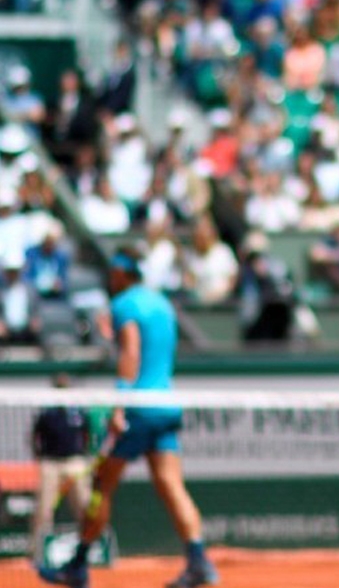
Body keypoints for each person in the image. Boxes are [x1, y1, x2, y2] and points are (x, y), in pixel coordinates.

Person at [38, 247, 218, 588]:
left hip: (137, 407)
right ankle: (199, 561)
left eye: (113, 271)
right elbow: (153, 351)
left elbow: (132, 351)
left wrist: (120, 404)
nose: (110, 277)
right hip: (165, 404)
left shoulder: (123, 305)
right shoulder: (163, 304)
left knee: (102, 484)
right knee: (171, 484)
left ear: (122, 272)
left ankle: (78, 565)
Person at [30, 373, 92, 563]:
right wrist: (38, 456)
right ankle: (37, 552)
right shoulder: (46, 414)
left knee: (85, 505)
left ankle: (89, 549)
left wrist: (84, 455)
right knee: (44, 508)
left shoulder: (78, 413)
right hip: (51, 462)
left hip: (75, 462)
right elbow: (34, 436)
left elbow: (87, 435)